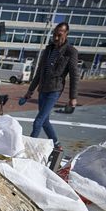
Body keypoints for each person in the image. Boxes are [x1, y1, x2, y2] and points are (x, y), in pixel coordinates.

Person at [23, 22, 78, 159]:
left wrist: (73, 97)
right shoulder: (48, 50)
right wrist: (30, 91)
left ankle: (29, 150)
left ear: (66, 34)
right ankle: (57, 144)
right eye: (54, 34)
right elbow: (39, 72)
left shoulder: (70, 51)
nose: (56, 37)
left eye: (59, 35)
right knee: (45, 120)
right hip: (43, 89)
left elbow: (74, 74)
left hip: (55, 89)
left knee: (38, 121)